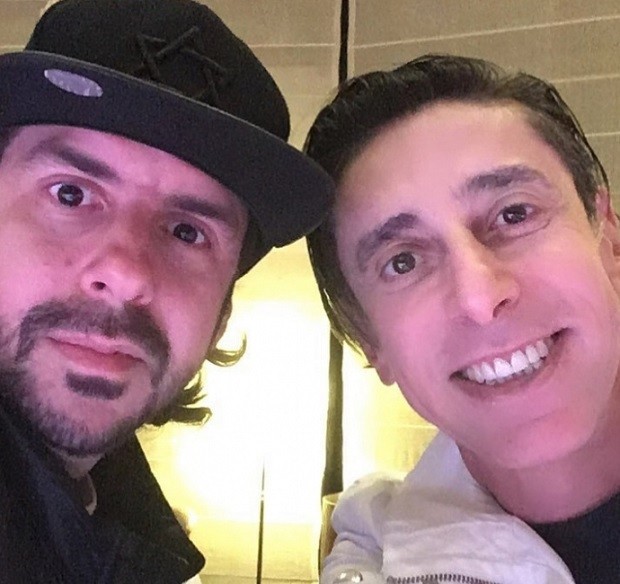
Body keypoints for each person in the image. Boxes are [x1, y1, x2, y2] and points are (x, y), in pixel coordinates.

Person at [0, 0, 332, 581]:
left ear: (222, 313)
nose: (128, 273)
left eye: (187, 231)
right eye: (71, 194)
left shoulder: (121, 535)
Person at [304, 54, 620, 584]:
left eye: (514, 214)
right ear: (367, 340)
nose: (479, 297)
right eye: (403, 262)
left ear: (608, 237)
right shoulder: (371, 564)